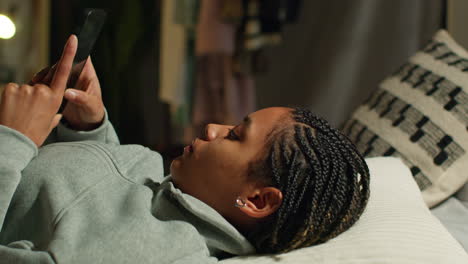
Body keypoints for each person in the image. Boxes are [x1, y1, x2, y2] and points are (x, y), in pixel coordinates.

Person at [0, 35, 370, 263]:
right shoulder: (170, 189)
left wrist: (12, 139)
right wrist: (89, 128)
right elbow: (98, 193)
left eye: (235, 136)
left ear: (257, 200)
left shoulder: (146, 251)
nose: (211, 128)